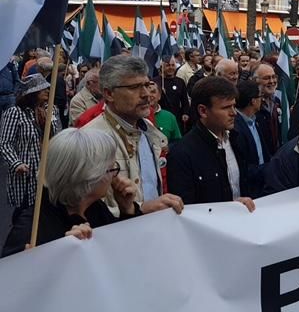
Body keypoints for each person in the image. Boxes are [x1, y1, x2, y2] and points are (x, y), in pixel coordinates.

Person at [2, 128, 183, 257]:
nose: (115, 175)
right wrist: (58, 256)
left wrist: (128, 209)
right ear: (89, 177)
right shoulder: (31, 229)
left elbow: (121, 253)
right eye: (111, 169)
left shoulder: (95, 208)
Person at [85, 56, 177, 214]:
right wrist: (139, 209)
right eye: (135, 87)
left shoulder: (148, 129)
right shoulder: (90, 140)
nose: (146, 94)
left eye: (147, 85)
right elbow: (85, 209)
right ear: (109, 94)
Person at [167, 77, 255, 211]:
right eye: (226, 107)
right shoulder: (182, 154)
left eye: (234, 106)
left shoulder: (236, 139)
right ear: (203, 111)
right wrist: (229, 207)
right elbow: (186, 210)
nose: (233, 113)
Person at [0, 74, 61, 214]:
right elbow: (4, 143)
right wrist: (16, 163)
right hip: (27, 172)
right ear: (32, 94)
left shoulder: (51, 110)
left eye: (47, 88)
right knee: (25, 213)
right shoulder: (14, 113)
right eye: (42, 89)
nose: (47, 91)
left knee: (47, 211)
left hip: (49, 169)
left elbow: (58, 135)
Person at [234, 80, 271, 198]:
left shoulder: (256, 121)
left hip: (262, 186)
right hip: (249, 192)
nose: (262, 100)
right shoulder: (236, 128)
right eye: (260, 96)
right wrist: (268, 168)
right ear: (253, 101)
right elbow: (243, 168)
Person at [153, 56, 190, 133]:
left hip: (177, 117)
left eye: (172, 65)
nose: (170, 68)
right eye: (167, 65)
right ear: (161, 67)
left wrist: (185, 113)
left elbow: (184, 100)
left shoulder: (180, 82)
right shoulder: (155, 82)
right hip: (160, 116)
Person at [254, 63, 283, 155]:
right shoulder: (252, 105)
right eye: (266, 78)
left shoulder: (277, 101)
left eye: (274, 77)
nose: (272, 81)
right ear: (255, 81)